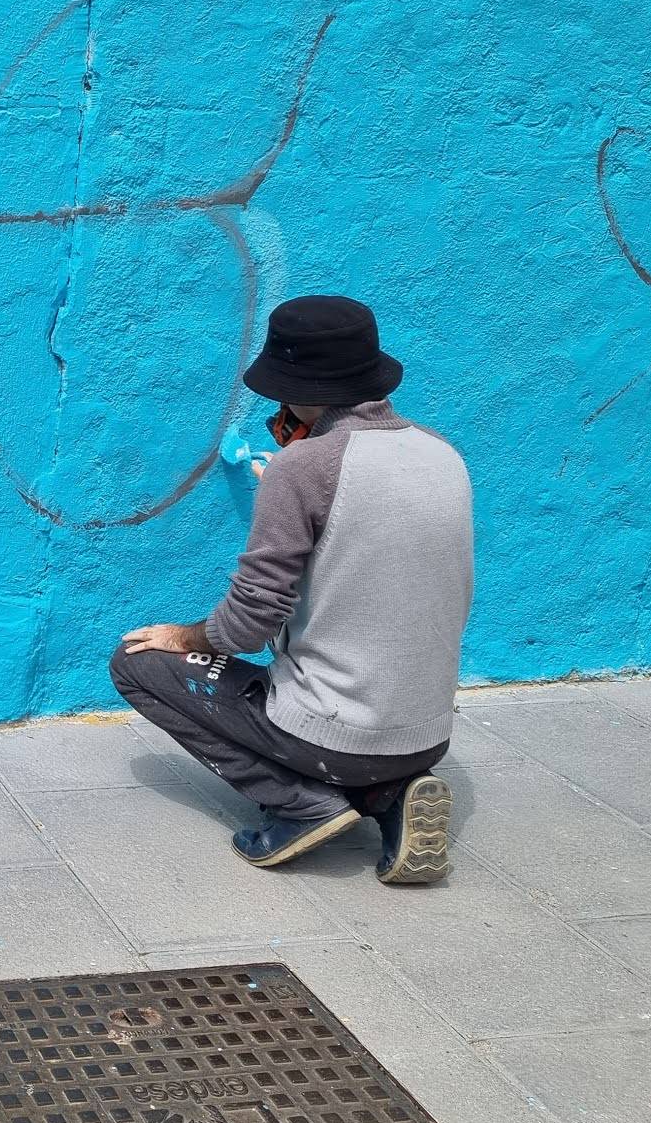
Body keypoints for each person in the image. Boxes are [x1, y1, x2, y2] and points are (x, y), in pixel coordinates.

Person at [112, 295, 472, 883]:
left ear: (295, 388)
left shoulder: (301, 468)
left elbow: (246, 625)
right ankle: (391, 794)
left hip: (331, 733)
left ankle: (303, 804)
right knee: (367, 712)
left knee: (135, 663)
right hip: (427, 735)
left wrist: (184, 636)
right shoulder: (441, 455)